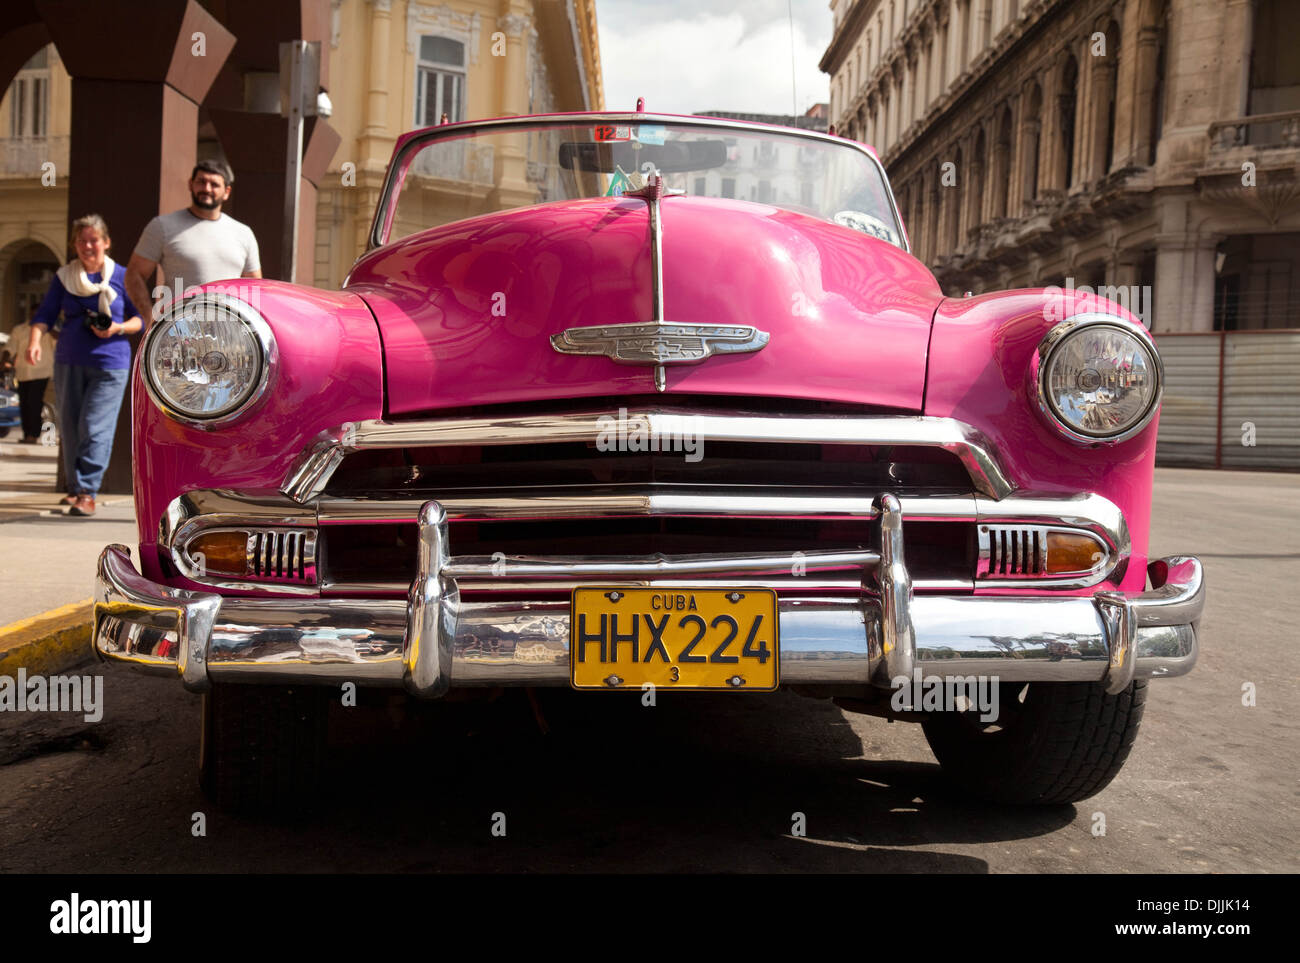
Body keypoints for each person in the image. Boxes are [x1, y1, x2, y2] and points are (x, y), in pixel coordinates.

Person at [26, 214, 143, 516]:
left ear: (106, 242)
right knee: (70, 426)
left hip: (110, 363)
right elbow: (45, 315)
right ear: (74, 245)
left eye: (94, 240)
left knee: (95, 427)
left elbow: (141, 319)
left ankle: (88, 492)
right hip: (69, 361)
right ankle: (76, 488)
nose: (88, 246)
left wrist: (116, 327)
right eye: (82, 241)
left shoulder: (122, 276)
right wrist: (34, 341)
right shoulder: (65, 277)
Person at [126, 159, 261, 327]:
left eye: (214, 184)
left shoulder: (244, 233)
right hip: (178, 335)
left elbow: (255, 287)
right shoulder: (162, 226)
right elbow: (134, 275)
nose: (207, 188)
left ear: (226, 192)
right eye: (201, 182)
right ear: (191, 184)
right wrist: (150, 319)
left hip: (229, 338)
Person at [11, 319, 55, 443]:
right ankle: (27, 434)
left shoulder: (50, 330)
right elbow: (11, 347)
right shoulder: (19, 329)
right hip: (23, 373)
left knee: (34, 402)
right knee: (24, 403)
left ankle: (34, 434)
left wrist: (52, 330)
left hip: (42, 372)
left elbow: (58, 343)